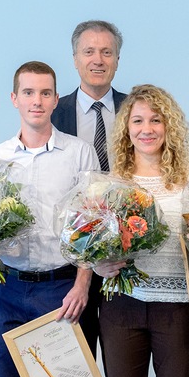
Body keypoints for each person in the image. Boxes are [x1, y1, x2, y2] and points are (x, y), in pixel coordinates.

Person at [0, 61, 99, 377]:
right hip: (5, 291)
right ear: (14, 99)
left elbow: (93, 226)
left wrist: (82, 285)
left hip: (62, 290)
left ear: (55, 100)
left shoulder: (80, 153)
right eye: (28, 92)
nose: (36, 101)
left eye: (45, 93)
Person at [93, 84, 189, 377]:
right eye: (138, 121)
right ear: (126, 129)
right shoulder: (110, 184)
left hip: (178, 308)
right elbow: (95, 246)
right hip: (121, 305)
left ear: (169, 126)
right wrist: (99, 266)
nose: (147, 129)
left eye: (156, 120)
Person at [51, 19, 126, 358]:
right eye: (89, 52)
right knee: (75, 367)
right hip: (68, 266)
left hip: (125, 259)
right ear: (75, 59)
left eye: (107, 52)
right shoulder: (53, 112)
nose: (98, 60)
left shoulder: (137, 110)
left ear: (117, 60)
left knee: (121, 368)